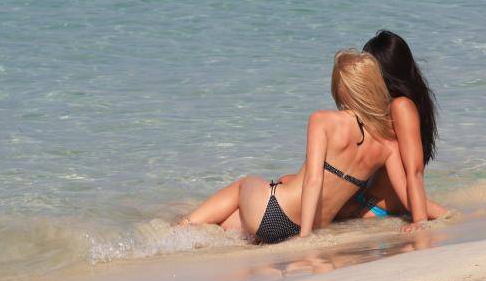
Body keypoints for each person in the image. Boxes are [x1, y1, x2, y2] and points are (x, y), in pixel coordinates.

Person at [179, 50, 420, 243]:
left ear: (342, 88)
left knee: (244, 184)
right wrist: (422, 219)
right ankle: (188, 237)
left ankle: (181, 228)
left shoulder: (322, 120)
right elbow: (406, 190)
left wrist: (306, 237)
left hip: (277, 214)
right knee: (227, 222)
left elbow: (313, 180)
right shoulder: (388, 145)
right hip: (306, 225)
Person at [338, 30, 447, 226]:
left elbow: (414, 171)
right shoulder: (406, 105)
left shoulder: (400, 106)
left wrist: (420, 221)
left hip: (370, 207)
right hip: (372, 204)